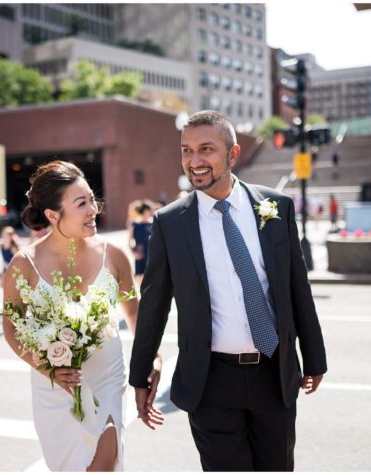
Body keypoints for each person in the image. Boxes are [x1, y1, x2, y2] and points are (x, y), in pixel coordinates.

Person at [130, 111, 327, 471]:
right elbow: (154, 306)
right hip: (210, 379)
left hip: (273, 372)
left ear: (233, 154)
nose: (195, 161)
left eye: (206, 149)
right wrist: (140, 374)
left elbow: (298, 287)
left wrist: (314, 357)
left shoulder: (276, 208)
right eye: (186, 151)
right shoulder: (170, 223)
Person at [1, 161, 140, 471]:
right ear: (52, 215)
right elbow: (11, 328)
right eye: (82, 203)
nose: (94, 209)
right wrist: (45, 365)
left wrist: (151, 359)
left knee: (104, 464)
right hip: (55, 388)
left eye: (92, 199)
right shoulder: (24, 265)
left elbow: (133, 311)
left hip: (108, 378)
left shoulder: (114, 255)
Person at [129, 201, 154, 278]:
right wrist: (134, 251)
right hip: (140, 252)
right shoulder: (135, 224)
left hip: (151, 253)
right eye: (149, 211)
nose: (150, 213)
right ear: (144, 211)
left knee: (151, 275)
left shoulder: (153, 223)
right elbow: (130, 239)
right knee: (139, 276)